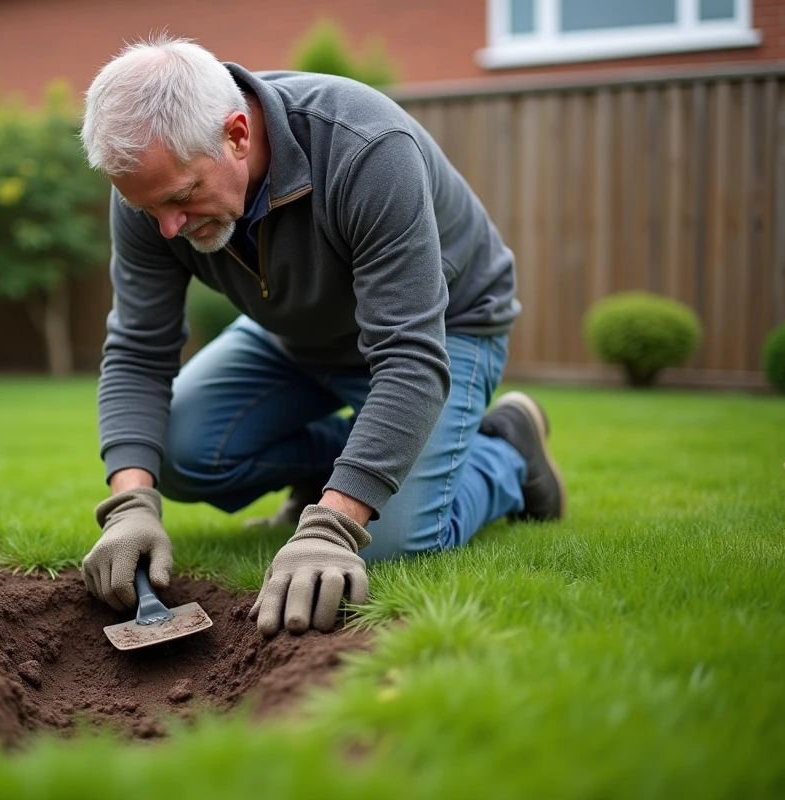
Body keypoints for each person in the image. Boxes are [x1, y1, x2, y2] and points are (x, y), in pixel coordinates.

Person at [78, 35, 565, 638]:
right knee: (177, 452)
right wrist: (129, 506)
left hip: (443, 328)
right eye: (149, 210)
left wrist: (331, 526)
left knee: (392, 542)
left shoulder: (365, 148)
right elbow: (137, 352)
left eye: (181, 198)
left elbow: (410, 355)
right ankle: (351, 463)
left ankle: (507, 454)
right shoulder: (154, 193)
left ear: (237, 135)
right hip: (292, 334)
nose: (168, 228)